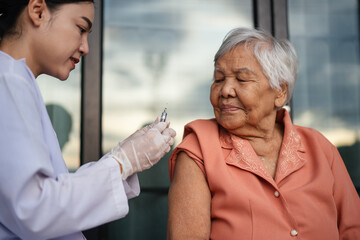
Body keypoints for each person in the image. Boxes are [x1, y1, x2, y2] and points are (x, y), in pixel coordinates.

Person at [0, 0, 176, 239]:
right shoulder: (8, 81)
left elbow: (42, 197)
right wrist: (121, 163)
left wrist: (122, 161)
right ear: (38, 11)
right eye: (81, 29)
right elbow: (34, 209)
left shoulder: (17, 80)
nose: (86, 48)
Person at [167, 27, 360, 239]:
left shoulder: (320, 148)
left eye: (242, 79)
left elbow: (353, 230)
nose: (225, 90)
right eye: (219, 78)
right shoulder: (199, 150)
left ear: (280, 92)